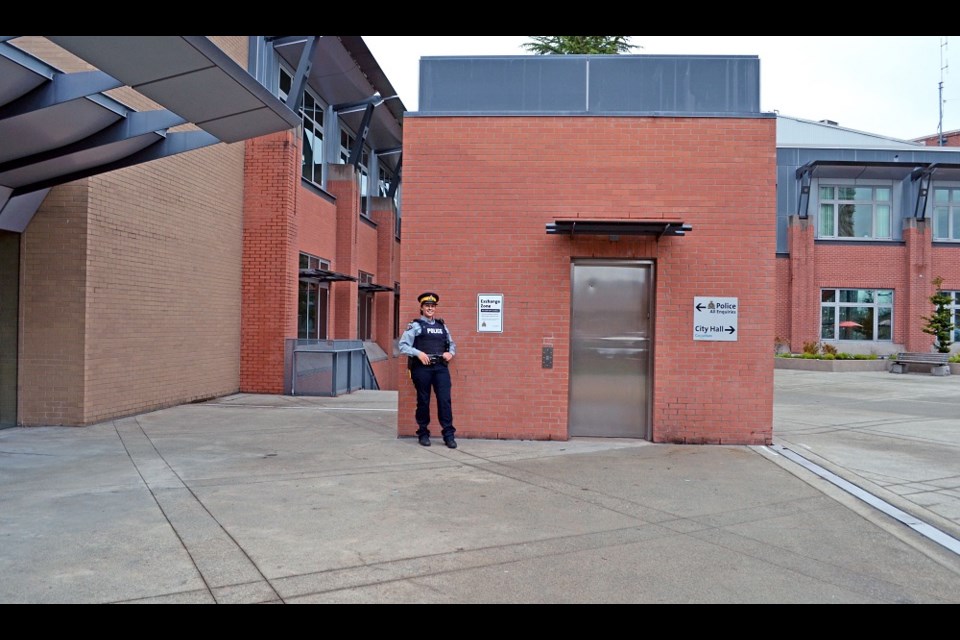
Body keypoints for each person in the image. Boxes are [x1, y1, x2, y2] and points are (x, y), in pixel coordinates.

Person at [398, 292, 457, 449]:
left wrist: (450, 353)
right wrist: (418, 353)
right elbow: (402, 345)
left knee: (445, 401)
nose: (430, 308)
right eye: (427, 306)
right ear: (422, 307)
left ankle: (448, 435)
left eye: (432, 306)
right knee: (423, 401)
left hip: (440, 367)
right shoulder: (415, 326)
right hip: (422, 368)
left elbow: (451, 344)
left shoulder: (442, 326)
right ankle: (423, 433)